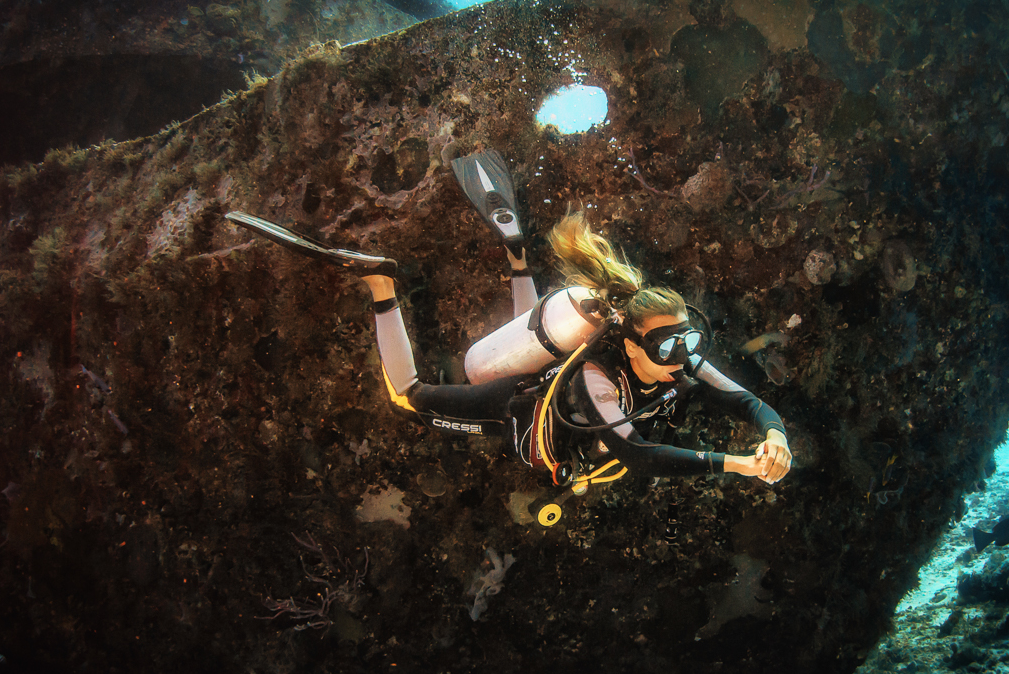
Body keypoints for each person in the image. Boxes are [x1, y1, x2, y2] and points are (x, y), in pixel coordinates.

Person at [225, 152, 792, 491]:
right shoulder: (595, 378)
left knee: (529, 329)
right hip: (517, 405)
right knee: (407, 395)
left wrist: (775, 436)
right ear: (630, 341)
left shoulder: (677, 356)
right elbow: (639, 457)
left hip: (543, 374)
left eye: (687, 341)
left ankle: (517, 253)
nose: (683, 359)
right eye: (668, 347)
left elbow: (747, 402)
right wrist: (741, 465)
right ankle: (381, 285)